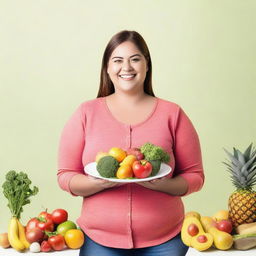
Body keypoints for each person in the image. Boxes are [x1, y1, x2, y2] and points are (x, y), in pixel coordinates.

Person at [57, 30, 204, 256]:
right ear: (107, 68)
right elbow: (65, 175)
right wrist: (98, 184)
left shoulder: (172, 114)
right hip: (99, 241)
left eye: (135, 59)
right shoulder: (86, 113)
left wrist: (164, 185)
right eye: (117, 60)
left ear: (147, 65)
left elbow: (195, 176)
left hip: (166, 241)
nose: (126, 67)